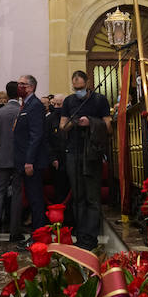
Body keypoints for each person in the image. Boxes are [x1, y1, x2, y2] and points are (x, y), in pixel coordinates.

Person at [60, 71, 110, 250]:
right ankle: (81, 237)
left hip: (92, 153)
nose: (78, 90)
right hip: (73, 151)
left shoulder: (99, 100)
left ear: (88, 83)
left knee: (92, 197)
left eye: (81, 87)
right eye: (75, 88)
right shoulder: (69, 101)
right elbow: (62, 126)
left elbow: (108, 125)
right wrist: (73, 122)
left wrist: (90, 121)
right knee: (78, 197)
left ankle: (91, 237)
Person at [11, 74, 48, 246]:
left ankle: (38, 237)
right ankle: (36, 235)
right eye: (19, 84)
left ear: (31, 87)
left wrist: (29, 161)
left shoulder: (35, 106)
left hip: (31, 162)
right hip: (24, 160)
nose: (19, 87)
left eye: (22, 84)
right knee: (33, 199)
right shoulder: (26, 104)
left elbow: (36, 136)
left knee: (36, 200)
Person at [0, 82, 21, 244]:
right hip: (19, 158)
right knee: (16, 193)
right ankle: (14, 231)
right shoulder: (22, 111)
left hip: (3, 157)